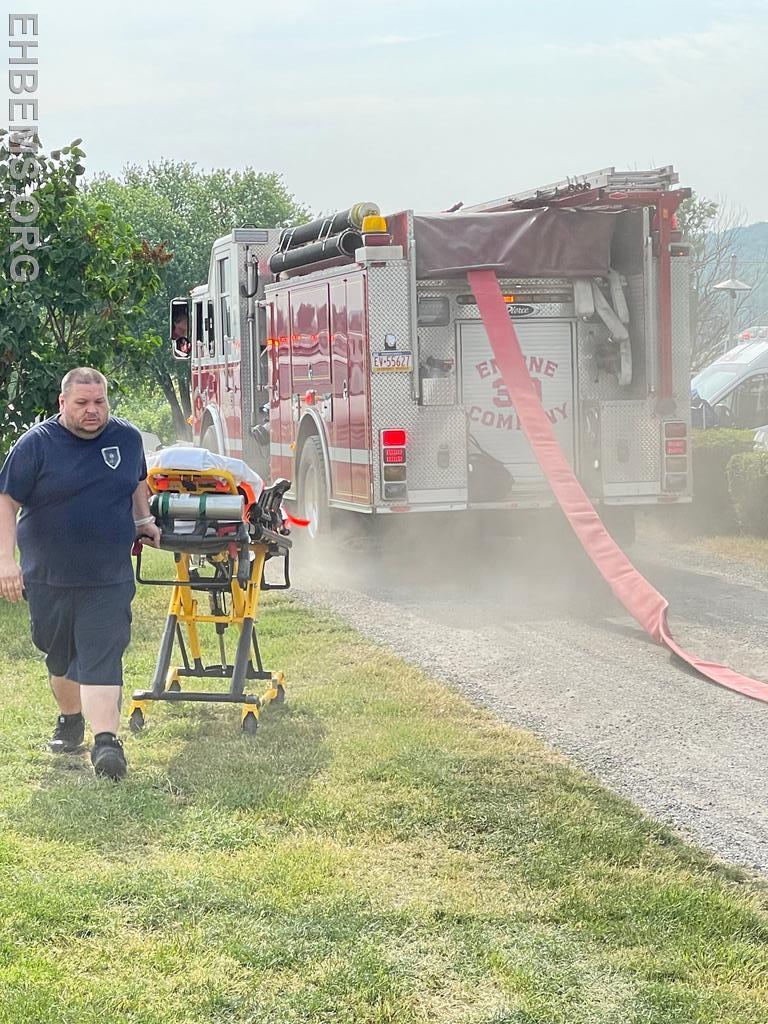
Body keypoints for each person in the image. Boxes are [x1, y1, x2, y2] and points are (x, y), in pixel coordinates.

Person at [0, 368, 161, 780]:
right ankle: (71, 719)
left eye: (100, 402)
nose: (93, 411)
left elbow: (136, 481)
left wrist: (143, 522)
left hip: (108, 574)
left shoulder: (125, 438)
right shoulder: (36, 445)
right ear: (62, 403)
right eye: (82, 403)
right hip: (49, 576)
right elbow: (7, 502)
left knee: (101, 652)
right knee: (60, 655)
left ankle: (106, 741)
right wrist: (6, 560)